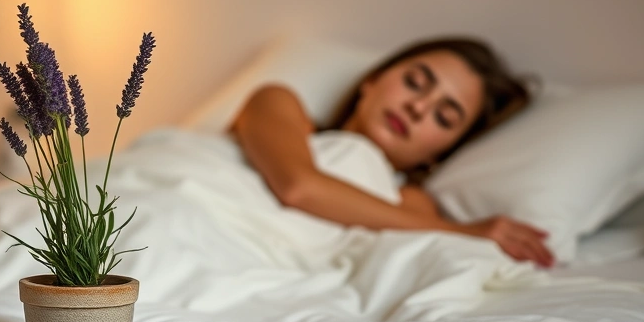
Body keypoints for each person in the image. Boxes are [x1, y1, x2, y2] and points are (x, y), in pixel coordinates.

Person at [230, 37, 555, 268]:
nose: (417, 107)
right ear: (371, 81)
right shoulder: (278, 103)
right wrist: (468, 232)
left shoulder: (412, 205)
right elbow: (299, 187)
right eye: (415, 82)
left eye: (444, 117)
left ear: (439, 154)